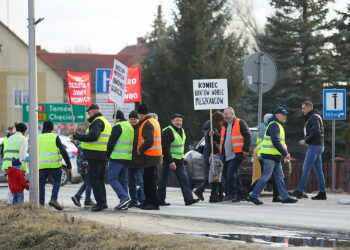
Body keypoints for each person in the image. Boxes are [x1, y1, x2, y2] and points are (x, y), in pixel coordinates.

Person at [247, 107, 297, 205]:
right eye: (283, 115)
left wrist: (282, 153)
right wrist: (285, 153)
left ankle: (285, 197)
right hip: (270, 155)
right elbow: (275, 141)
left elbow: (278, 141)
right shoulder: (274, 125)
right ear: (278, 115)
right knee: (266, 176)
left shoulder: (276, 124)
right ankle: (253, 196)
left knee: (279, 176)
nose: (285, 116)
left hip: (275, 156)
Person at [73, 104, 111, 212]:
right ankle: (103, 202)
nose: (88, 115)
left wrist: (78, 137)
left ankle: (100, 204)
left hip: (95, 155)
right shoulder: (106, 122)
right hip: (102, 155)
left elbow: (94, 136)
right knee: (100, 180)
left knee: (95, 180)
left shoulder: (97, 121)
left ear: (94, 111)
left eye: (89, 113)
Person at [158, 114, 200, 206]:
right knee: (163, 181)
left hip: (179, 160)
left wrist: (182, 158)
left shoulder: (182, 130)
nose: (179, 122)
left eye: (180, 121)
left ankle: (189, 199)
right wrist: (170, 161)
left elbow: (180, 146)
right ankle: (160, 200)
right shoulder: (167, 131)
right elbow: (165, 148)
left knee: (184, 179)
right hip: (169, 160)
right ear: (172, 121)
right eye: (177, 120)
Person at [290, 101, 326, 200]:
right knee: (319, 171)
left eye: (304, 108)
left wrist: (305, 141)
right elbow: (315, 132)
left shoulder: (313, 117)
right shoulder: (315, 116)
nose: (302, 111)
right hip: (318, 146)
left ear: (309, 107)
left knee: (306, 169)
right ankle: (322, 193)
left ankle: (299, 191)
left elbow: (316, 132)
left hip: (314, 146)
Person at [220, 107, 251, 202]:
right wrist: (213, 134)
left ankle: (231, 194)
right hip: (227, 155)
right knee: (232, 175)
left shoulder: (240, 122)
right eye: (224, 114)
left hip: (237, 154)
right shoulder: (224, 125)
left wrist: (245, 150)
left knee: (230, 174)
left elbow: (248, 135)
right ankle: (241, 194)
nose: (225, 116)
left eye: (227, 114)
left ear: (233, 114)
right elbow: (225, 139)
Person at [39, 120, 72, 210]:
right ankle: (53, 199)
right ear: (52, 128)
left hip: (41, 167)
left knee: (41, 185)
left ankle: (41, 204)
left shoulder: (38, 138)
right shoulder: (55, 137)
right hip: (55, 166)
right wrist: (68, 165)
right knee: (57, 181)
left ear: (43, 128)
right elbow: (63, 151)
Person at [135, 104, 162, 210]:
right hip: (154, 155)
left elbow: (149, 140)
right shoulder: (154, 121)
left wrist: (140, 150)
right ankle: (147, 201)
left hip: (150, 156)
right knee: (148, 180)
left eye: (138, 114)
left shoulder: (147, 123)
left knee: (150, 182)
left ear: (140, 114)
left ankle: (153, 203)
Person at [249, 113, 282, 202]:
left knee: (272, 176)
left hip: (270, 154)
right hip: (265, 155)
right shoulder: (264, 128)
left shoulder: (267, 127)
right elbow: (271, 139)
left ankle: (276, 196)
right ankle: (250, 192)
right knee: (266, 176)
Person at [194, 111, 225, 202]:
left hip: (214, 152)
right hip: (211, 152)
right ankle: (201, 190)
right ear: (217, 120)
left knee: (216, 174)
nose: (221, 123)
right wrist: (213, 135)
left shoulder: (215, 127)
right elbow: (213, 138)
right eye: (220, 121)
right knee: (212, 174)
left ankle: (216, 195)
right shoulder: (211, 128)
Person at [107, 110, 134, 210]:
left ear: (116, 118)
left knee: (112, 178)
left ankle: (124, 197)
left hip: (117, 157)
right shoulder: (130, 126)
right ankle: (124, 203)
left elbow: (111, 142)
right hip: (127, 157)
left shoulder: (118, 126)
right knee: (123, 180)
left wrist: (107, 155)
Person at [2, 123, 28, 205]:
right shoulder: (23, 139)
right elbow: (22, 155)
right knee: (18, 187)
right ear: (24, 131)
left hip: (7, 165)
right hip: (16, 165)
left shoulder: (9, 138)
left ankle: (10, 203)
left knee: (11, 185)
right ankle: (17, 205)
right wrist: (22, 168)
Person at [127, 110, 145, 207]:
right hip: (129, 160)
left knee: (141, 181)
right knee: (130, 182)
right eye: (131, 119)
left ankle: (143, 200)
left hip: (140, 159)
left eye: (134, 119)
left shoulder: (141, 128)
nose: (133, 120)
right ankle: (133, 200)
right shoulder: (127, 128)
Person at [71, 142, 96, 208]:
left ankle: (78, 196)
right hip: (85, 167)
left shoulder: (81, 143)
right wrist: (86, 165)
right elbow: (84, 156)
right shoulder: (84, 144)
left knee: (86, 183)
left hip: (81, 166)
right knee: (89, 183)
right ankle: (87, 201)